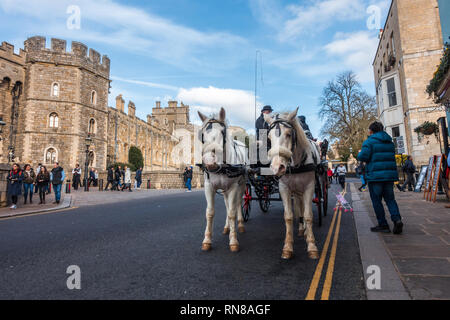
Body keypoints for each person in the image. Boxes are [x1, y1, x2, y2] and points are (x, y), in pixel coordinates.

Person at [357, 121, 403, 234]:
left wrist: (359, 154)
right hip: (389, 176)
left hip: (375, 176)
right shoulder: (390, 142)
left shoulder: (369, 142)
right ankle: (397, 220)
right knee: (390, 200)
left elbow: (363, 156)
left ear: (371, 131)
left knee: (377, 201)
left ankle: (383, 225)